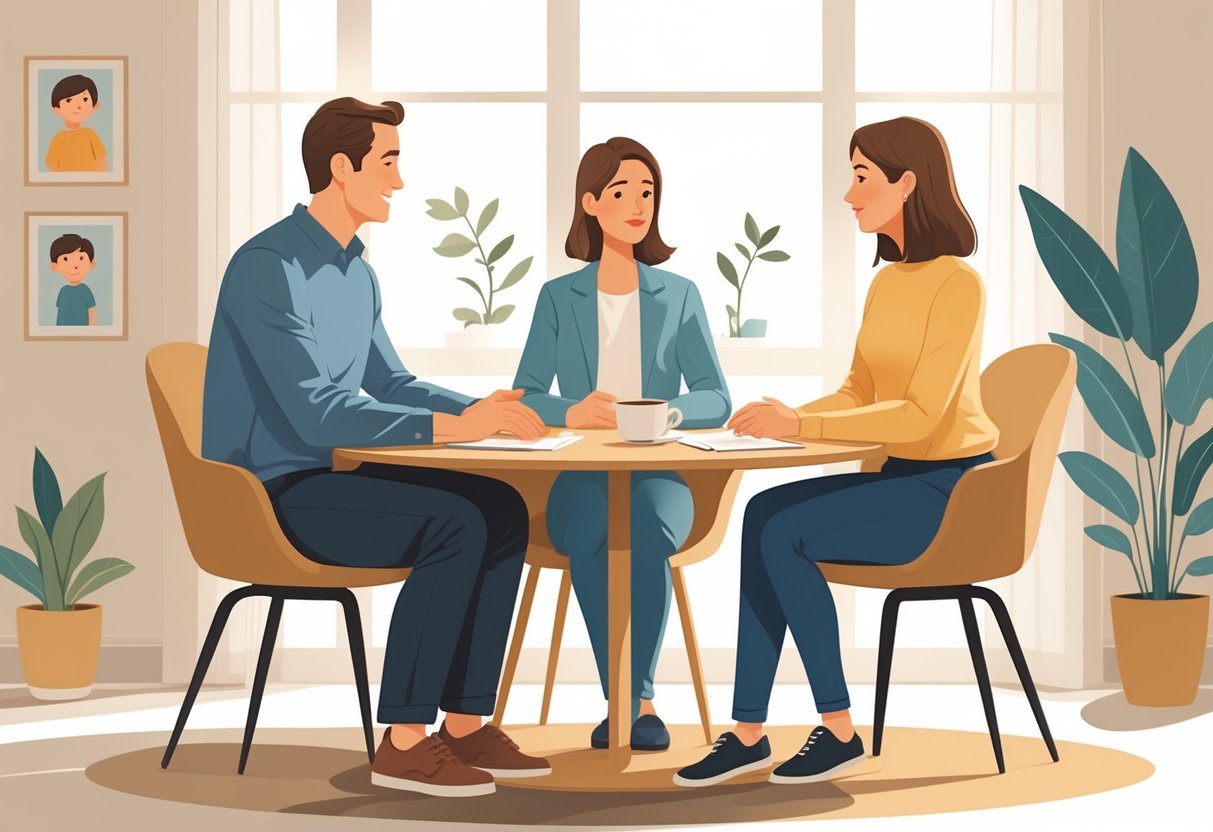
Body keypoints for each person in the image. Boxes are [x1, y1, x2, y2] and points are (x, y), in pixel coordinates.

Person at [202, 97, 552, 797]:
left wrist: (483, 410)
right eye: (388, 162)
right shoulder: (266, 267)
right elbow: (316, 414)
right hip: (273, 494)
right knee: (455, 520)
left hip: (331, 479)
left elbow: (390, 381)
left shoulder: (357, 273)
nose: (398, 181)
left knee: (502, 507)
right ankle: (400, 743)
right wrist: (463, 429)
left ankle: (461, 724)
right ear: (341, 166)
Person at [675, 116, 999, 787]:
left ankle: (840, 729)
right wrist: (788, 416)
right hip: (896, 478)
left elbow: (919, 416)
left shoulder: (957, 284)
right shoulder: (886, 283)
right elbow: (857, 391)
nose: (848, 194)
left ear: (906, 184)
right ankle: (747, 732)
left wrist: (801, 431)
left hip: (949, 493)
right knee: (763, 515)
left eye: (860, 176)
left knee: (786, 529)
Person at [514, 137, 730, 751]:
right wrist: (572, 411)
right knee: (591, 530)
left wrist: (672, 413)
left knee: (644, 529)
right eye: (620, 192)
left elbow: (717, 397)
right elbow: (525, 395)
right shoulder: (558, 297)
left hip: (661, 476)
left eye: (647, 192)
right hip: (580, 475)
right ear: (590, 203)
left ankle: (632, 698)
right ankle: (633, 701)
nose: (637, 205)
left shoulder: (679, 294)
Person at [45, 75, 107, 172]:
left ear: (94, 106)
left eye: (85, 99)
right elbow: (50, 162)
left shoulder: (90, 134)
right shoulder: (60, 137)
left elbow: (101, 157)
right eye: (69, 100)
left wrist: (100, 177)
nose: (78, 106)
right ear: (57, 110)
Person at [49, 233, 97, 326]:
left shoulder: (85, 290)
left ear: (91, 264)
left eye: (81, 258)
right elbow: (61, 314)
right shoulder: (63, 291)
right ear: (54, 267)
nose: (75, 265)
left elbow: (92, 312)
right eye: (66, 259)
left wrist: (91, 331)